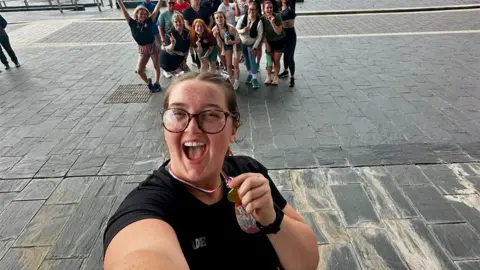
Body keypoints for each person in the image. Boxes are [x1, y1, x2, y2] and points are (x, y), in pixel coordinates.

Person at [103, 72, 320, 270]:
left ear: (233, 129)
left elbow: (307, 262)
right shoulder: (149, 206)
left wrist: (272, 220)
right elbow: (140, 254)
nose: (192, 128)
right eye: (178, 113)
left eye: (210, 115)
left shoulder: (248, 171)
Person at [118, 0, 162, 92]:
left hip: (152, 46)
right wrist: (120, 2)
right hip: (142, 49)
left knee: (156, 66)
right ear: (137, 14)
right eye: (141, 14)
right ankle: (148, 82)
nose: (143, 15)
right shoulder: (132, 23)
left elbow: (156, 9)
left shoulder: (149, 21)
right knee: (139, 70)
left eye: (145, 14)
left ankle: (157, 83)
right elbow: (124, 11)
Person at [236, 2, 263, 89]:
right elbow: (237, 29)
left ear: (257, 11)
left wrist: (254, 48)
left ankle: (255, 79)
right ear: (247, 10)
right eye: (250, 9)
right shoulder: (243, 18)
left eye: (254, 10)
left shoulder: (259, 22)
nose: (251, 11)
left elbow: (259, 37)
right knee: (246, 60)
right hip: (243, 43)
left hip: (252, 44)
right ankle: (250, 74)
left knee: (252, 60)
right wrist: (243, 30)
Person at [213, 11, 240, 90]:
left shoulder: (231, 28)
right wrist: (217, 37)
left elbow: (239, 40)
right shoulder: (214, 29)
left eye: (221, 17)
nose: (219, 19)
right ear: (215, 20)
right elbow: (220, 45)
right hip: (226, 45)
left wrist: (232, 42)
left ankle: (237, 81)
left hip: (236, 44)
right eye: (217, 18)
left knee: (235, 65)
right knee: (228, 65)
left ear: (224, 18)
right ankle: (230, 80)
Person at [184, 0, 213, 68]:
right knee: (198, 48)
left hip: (206, 33)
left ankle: (209, 60)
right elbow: (186, 24)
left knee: (208, 46)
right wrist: (195, 31)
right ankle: (200, 61)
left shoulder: (205, 8)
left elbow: (211, 20)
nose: (196, 1)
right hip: (195, 33)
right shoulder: (187, 11)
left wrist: (207, 29)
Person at [159, 13, 191, 78]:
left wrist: (184, 60)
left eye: (180, 21)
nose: (178, 23)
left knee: (189, 75)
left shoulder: (186, 33)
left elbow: (187, 49)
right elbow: (168, 50)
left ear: (183, 22)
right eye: (176, 22)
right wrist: (172, 44)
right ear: (173, 23)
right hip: (168, 60)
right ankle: (168, 71)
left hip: (179, 59)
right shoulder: (169, 33)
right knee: (182, 78)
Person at [262, 0, 284, 85]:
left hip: (278, 41)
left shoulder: (277, 17)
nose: (269, 9)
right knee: (269, 61)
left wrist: (272, 22)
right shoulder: (262, 19)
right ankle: (268, 76)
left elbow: (278, 32)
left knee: (276, 60)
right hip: (269, 42)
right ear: (264, 9)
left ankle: (275, 76)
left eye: (271, 7)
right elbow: (263, 34)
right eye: (267, 8)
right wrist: (266, 44)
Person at [279, 0, 296, 87]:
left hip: (290, 36)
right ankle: (285, 71)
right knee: (285, 54)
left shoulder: (291, 8)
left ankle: (292, 77)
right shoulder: (278, 6)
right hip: (282, 35)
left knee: (290, 57)